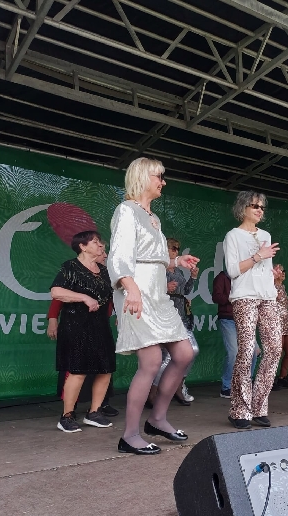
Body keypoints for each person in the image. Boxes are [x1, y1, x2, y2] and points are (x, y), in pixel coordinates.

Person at [108, 157, 199, 455]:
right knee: (149, 362)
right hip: (137, 293)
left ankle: (157, 419)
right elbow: (119, 257)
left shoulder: (153, 217)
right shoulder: (126, 210)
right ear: (142, 177)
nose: (163, 181)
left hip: (158, 296)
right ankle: (130, 435)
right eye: (158, 176)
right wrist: (131, 289)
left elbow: (151, 257)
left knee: (184, 353)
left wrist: (176, 261)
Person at [223, 191, 282, 429]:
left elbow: (263, 268)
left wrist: (272, 274)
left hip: (268, 297)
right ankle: (239, 410)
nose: (259, 210)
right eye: (254, 206)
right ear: (243, 208)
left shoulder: (265, 235)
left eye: (262, 207)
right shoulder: (233, 235)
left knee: (275, 349)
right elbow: (232, 270)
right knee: (247, 351)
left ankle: (258, 407)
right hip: (244, 297)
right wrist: (258, 256)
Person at [50, 231, 116, 433]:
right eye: (95, 242)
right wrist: (84, 298)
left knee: (106, 369)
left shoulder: (104, 271)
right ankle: (66, 416)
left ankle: (94, 413)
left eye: (100, 242)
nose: (101, 246)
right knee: (78, 370)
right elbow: (56, 292)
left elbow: (114, 295)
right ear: (83, 246)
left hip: (100, 325)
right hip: (75, 325)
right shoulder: (70, 267)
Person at [146, 238, 199, 407]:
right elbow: (147, 291)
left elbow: (186, 291)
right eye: (173, 248)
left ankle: (177, 385)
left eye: (178, 248)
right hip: (163, 316)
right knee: (165, 357)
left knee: (192, 350)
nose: (176, 251)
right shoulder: (158, 269)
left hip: (180, 315)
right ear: (164, 249)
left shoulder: (177, 271)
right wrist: (164, 288)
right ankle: (153, 392)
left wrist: (193, 277)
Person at [212, 270, 259, 399]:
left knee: (253, 351)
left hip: (244, 318)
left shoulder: (245, 277)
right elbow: (216, 297)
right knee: (234, 352)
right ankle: (226, 387)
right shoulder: (222, 277)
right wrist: (231, 298)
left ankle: (246, 383)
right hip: (228, 318)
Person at [273, 264, 288, 389]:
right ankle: (270, 379)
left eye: (284, 271)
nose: (283, 273)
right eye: (280, 271)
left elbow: (285, 303)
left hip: (285, 326)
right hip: (276, 325)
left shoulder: (282, 287)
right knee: (276, 353)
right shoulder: (270, 287)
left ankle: (283, 377)